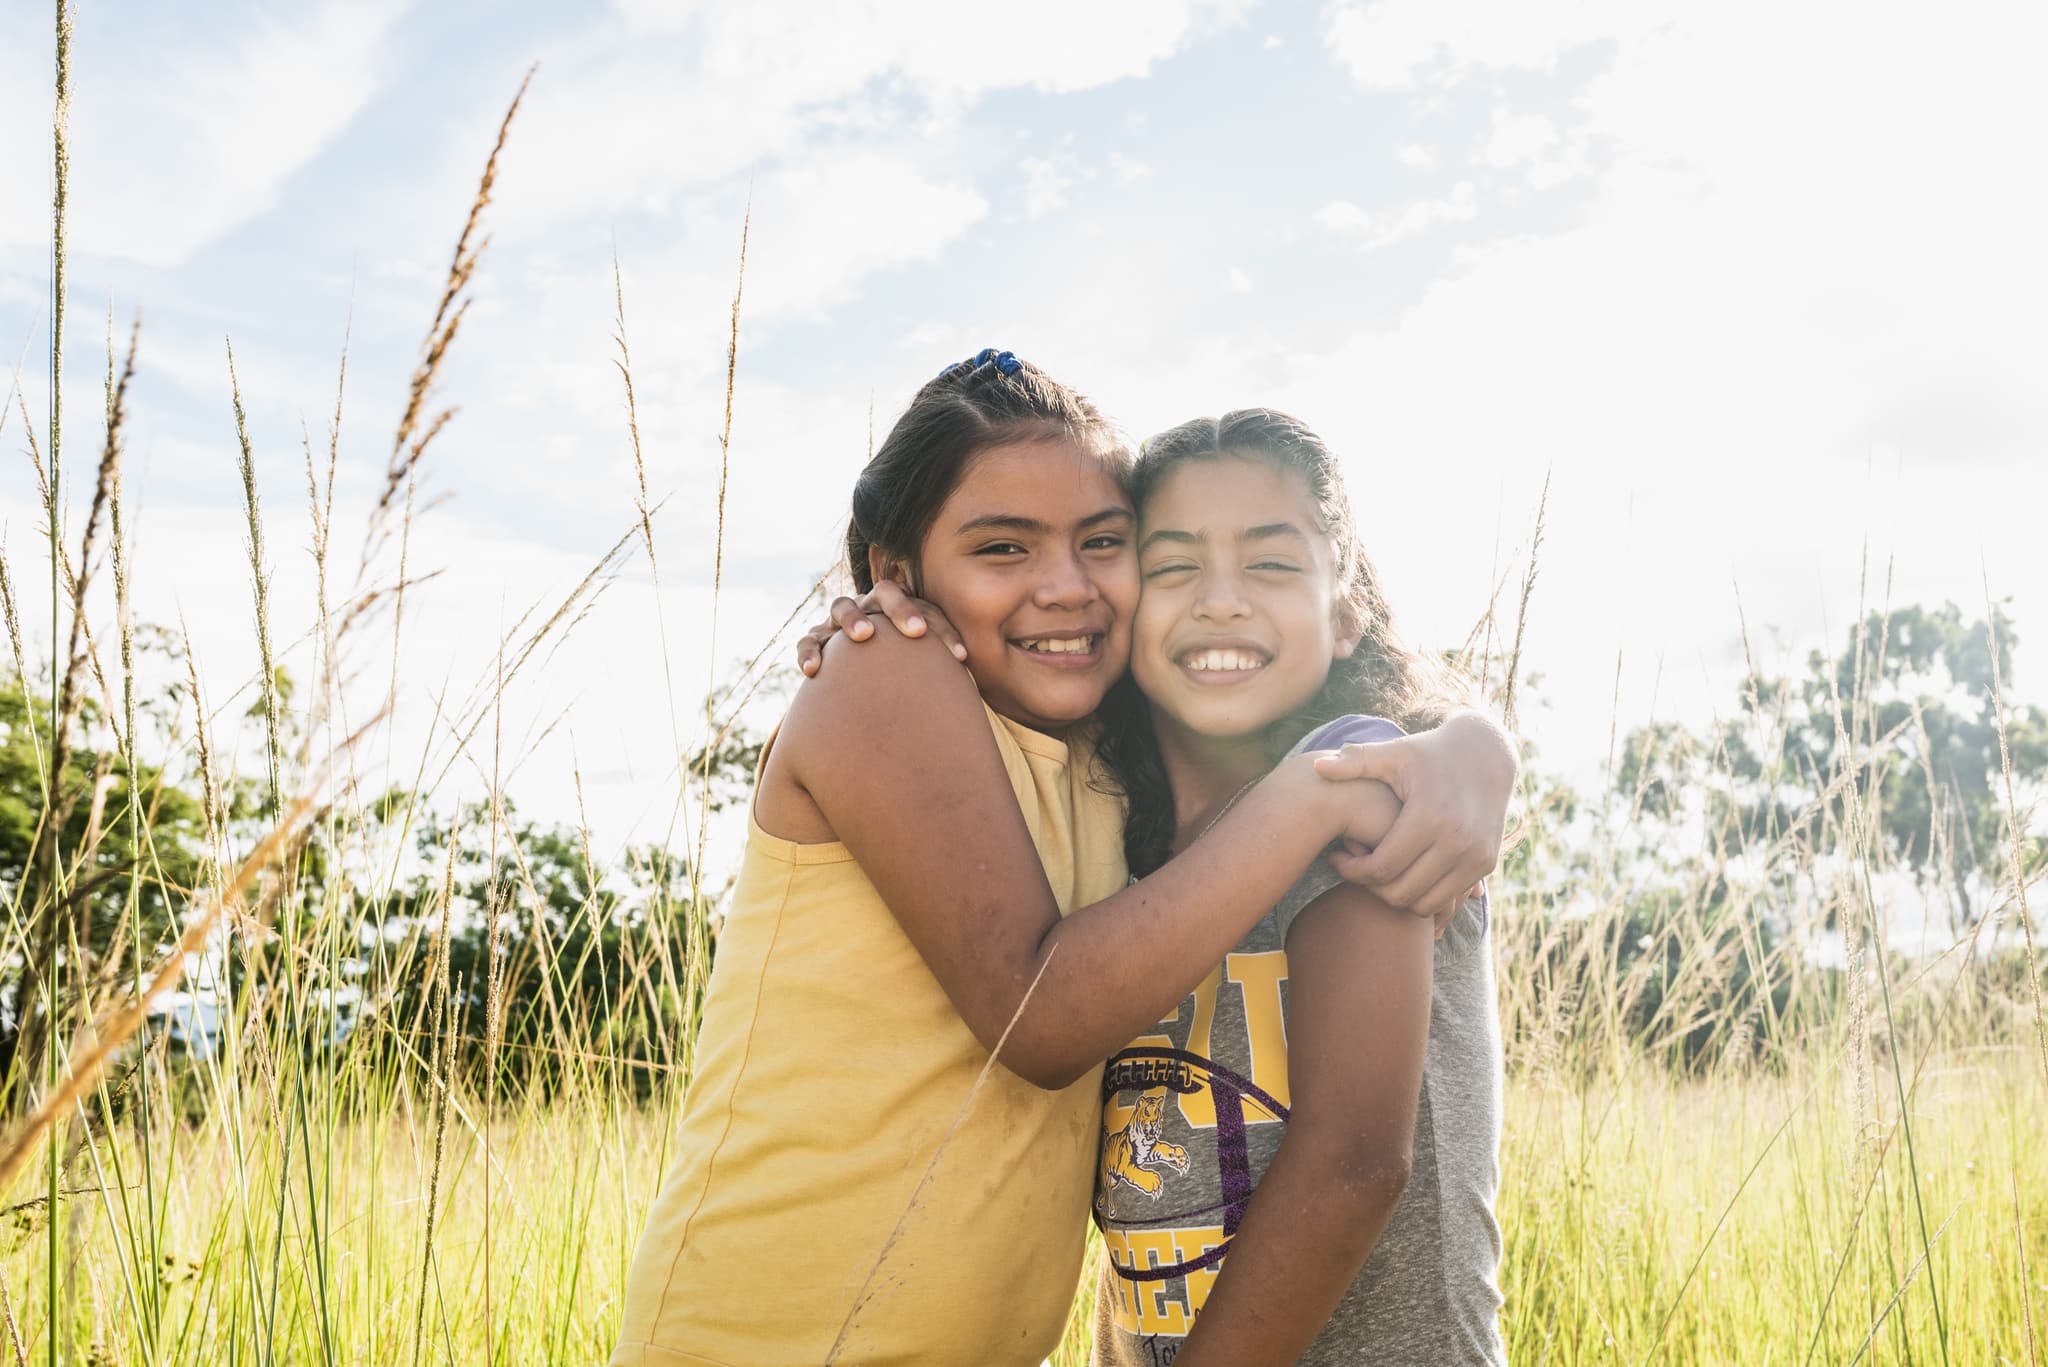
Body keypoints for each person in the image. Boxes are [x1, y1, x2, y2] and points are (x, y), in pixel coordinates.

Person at [612, 353, 1513, 1367]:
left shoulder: (1111, 771)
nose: (1064, 587)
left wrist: (1469, 744)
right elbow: (1040, 1017)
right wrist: (1328, 781)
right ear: (895, 571)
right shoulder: (886, 671)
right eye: (1001, 546)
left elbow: (1340, 1157)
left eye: (1105, 543)